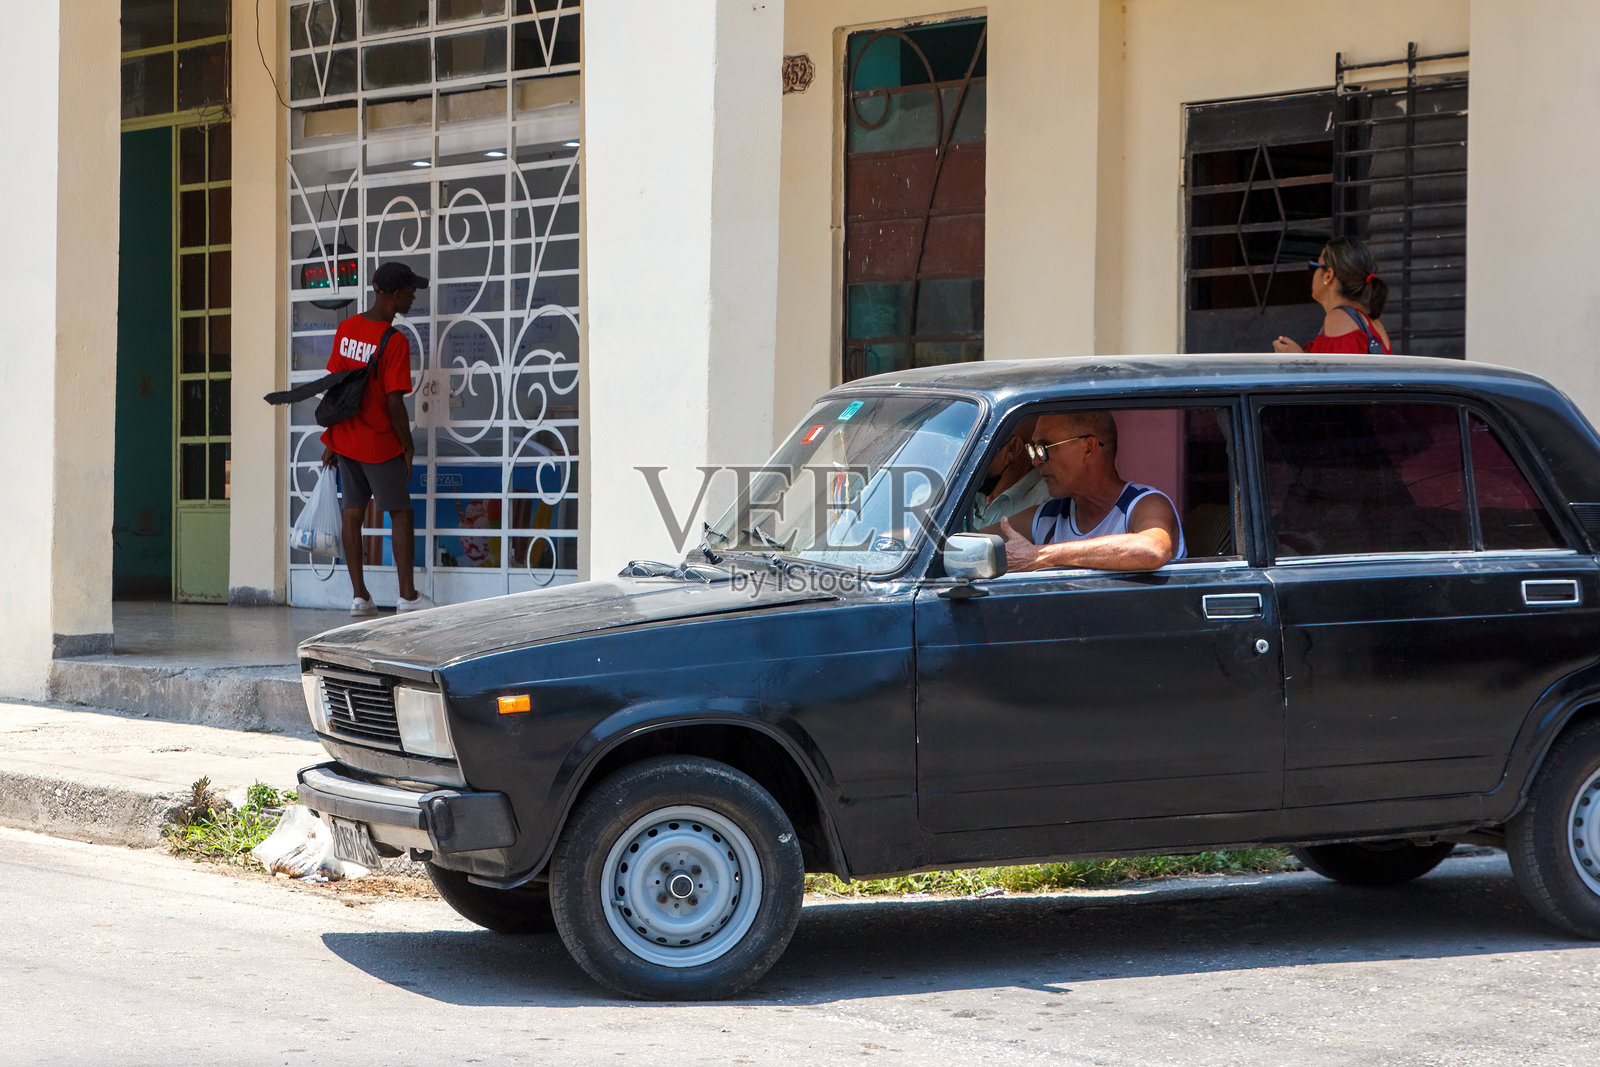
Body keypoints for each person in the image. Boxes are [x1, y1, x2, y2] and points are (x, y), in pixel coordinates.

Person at [320, 261, 433, 615]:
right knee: (400, 513)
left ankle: (360, 597)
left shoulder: (347, 328)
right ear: (395, 295)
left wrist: (330, 441)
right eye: (411, 291)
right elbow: (394, 401)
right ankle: (407, 597)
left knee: (352, 512)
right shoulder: (394, 341)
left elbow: (333, 389)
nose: (414, 297)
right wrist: (407, 445)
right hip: (378, 443)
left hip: (346, 440)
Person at [991, 411, 1186, 571]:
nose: (1036, 461)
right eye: (1033, 449)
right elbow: (971, 542)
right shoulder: (1048, 517)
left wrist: (1039, 556)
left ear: (1089, 448)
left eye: (1044, 447)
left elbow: (1152, 550)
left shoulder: (1143, 504)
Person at [1271, 236, 1393, 355]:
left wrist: (1297, 359)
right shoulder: (1369, 320)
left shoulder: (1339, 318)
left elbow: (1338, 374)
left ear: (1328, 275)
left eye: (1315, 266)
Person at [968, 424, 1052, 529]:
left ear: (1013, 448)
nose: (969, 459)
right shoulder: (970, 491)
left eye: (978, 447)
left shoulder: (1046, 501)